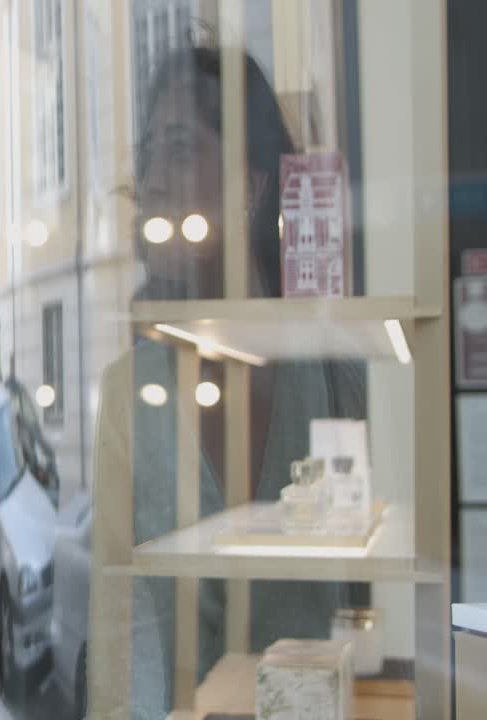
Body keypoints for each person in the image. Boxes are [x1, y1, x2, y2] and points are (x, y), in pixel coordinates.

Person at [95, 45, 366, 718]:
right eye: (148, 155)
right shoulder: (132, 389)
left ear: (249, 185)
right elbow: (119, 622)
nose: (154, 179)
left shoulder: (334, 368)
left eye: (180, 148)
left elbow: (378, 596)